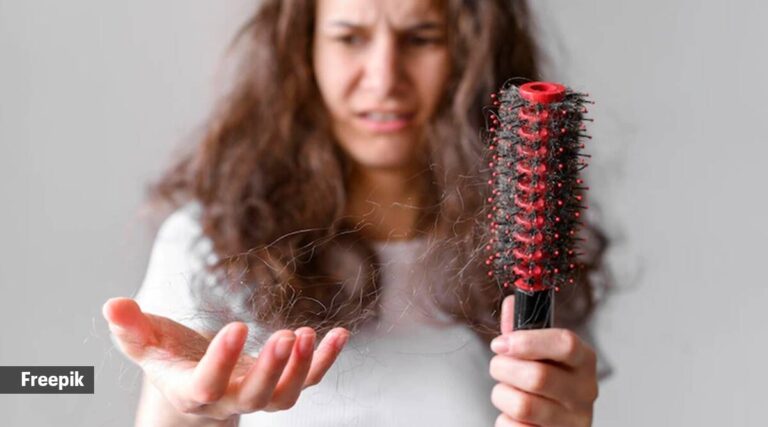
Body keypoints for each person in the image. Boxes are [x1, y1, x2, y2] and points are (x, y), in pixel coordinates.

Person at [102, 0, 605, 425]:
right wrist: (189, 405)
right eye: (350, 38)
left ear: (470, 52)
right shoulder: (209, 243)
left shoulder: (527, 252)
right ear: (305, 52)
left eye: (421, 37)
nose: (384, 78)